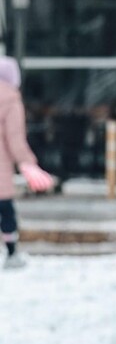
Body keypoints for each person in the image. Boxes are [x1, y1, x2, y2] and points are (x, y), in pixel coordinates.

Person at [0, 56, 55, 269]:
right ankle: (12, 253)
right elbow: (14, 138)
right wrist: (27, 162)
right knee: (5, 210)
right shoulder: (11, 100)